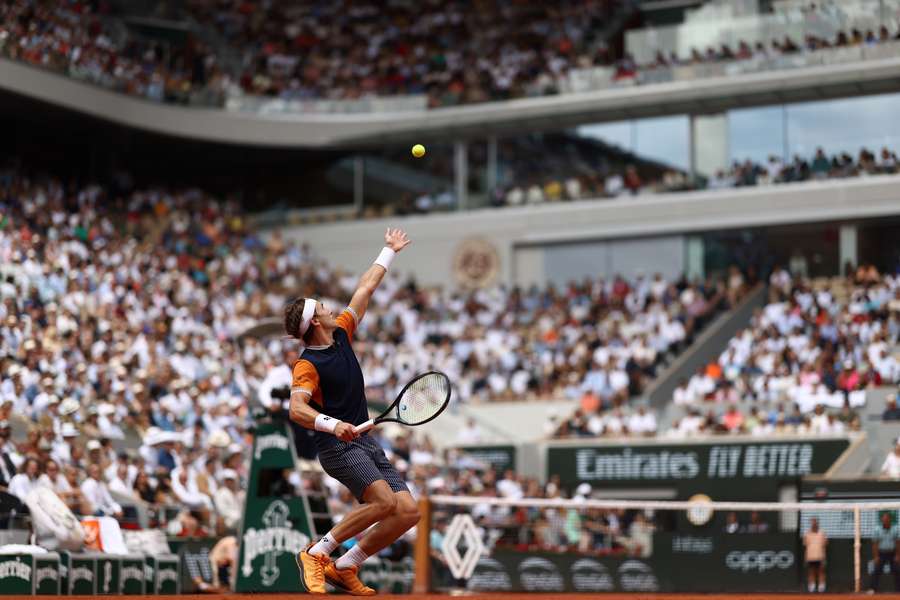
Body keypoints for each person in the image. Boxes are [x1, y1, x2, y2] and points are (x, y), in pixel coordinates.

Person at [288, 228, 418, 596]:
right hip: (337, 447)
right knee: (384, 502)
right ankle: (317, 552)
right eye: (323, 308)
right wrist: (333, 425)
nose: (331, 308)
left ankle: (346, 564)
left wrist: (389, 251)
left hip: (366, 443)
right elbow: (297, 409)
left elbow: (365, 288)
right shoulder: (307, 364)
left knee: (408, 511)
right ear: (315, 321)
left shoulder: (342, 332)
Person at [871, 512, 900, 592]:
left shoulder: (895, 529)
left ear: (890, 520)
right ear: (881, 520)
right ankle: (873, 589)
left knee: (897, 571)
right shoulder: (877, 529)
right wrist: (876, 556)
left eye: (887, 519)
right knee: (876, 571)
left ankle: (898, 590)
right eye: (884, 519)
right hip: (881, 553)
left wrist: (898, 555)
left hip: (892, 553)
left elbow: (898, 543)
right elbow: (875, 544)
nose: (885, 521)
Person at [804, 517, 827, 593]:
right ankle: (812, 587)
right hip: (810, 556)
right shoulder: (807, 533)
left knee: (821, 571)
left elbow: (825, 544)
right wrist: (806, 557)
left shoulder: (822, 533)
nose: (813, 524)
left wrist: (824, 557)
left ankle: (821, 587)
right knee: (811, 571)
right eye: (812, 522)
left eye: (815, 522)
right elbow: (806, 545)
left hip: (820, 556)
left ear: (817, 523)